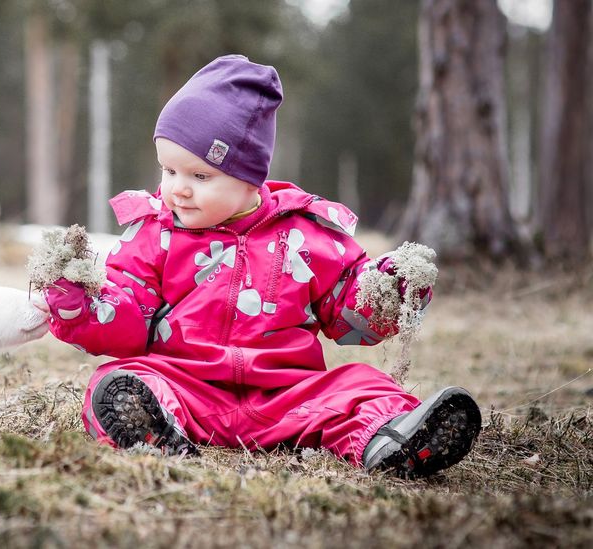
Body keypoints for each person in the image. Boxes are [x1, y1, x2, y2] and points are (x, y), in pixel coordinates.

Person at [43, 55, 480, 477]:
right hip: (187, 388)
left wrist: (388, 292)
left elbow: (348, 315)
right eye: (169, 171)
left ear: (249, 176)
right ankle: (154, 432)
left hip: (290, 398)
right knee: (122, 379)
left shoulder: (306, 235)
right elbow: (128, 317)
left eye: (199, 176)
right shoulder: (154, 233)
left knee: (362, 386)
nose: (178, 190)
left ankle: (393, 442)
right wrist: (78, 299)